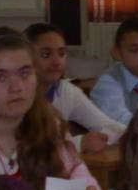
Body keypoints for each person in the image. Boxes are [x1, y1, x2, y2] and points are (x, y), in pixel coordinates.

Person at [0, 27, 102, 190]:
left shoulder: (50, 125)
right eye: (1, 77)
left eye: (25, 73)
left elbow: (77, 174)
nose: (16, 87)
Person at [26, 21, 128, 150]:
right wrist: (80, 143)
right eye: (46, 54)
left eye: (61, 54)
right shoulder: (17, 95)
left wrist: (134, 135)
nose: (56, 61)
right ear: (26, 57)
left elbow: (105, 125)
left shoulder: (66, 91)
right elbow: (28, 149)